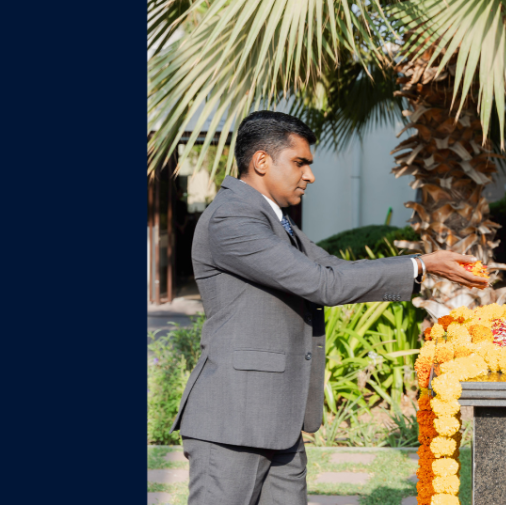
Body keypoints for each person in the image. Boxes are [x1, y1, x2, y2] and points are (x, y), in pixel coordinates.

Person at [171, 111, 489, 505]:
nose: (310, 175)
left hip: (277, 421)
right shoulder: (232, 219)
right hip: (233, 420)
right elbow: (323, 285)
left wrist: (422, 262)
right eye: (300, 162)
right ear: (261, 161)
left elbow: (333, 269)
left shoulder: (274, 220)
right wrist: (421, 265)